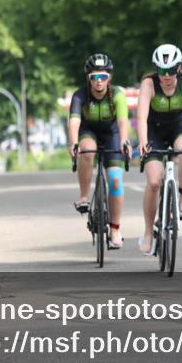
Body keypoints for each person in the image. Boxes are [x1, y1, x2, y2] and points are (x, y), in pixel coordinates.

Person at [136, 44, 182, 255]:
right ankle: (148, 232)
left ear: (179, 68)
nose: (167, 76)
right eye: (162, 71)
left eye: (171, 70)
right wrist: (143, 140)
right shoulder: (149, 84)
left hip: (179, 128)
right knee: (153, 181)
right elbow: (141, 117)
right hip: (154, 132)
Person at [68, 53, 132, 249]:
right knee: (87, 149)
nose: (99, 82)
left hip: (111, 132)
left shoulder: (118, 95)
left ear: (109, 78)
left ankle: (115, 229)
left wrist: (124, 141)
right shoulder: (80, 95)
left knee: (114, 178)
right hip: (90, 131)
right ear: (88, 78)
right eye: (94, 77)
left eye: (103, 77)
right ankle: (84, 197)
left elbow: (122, 121)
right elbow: (74, 122)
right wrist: (73, 143)